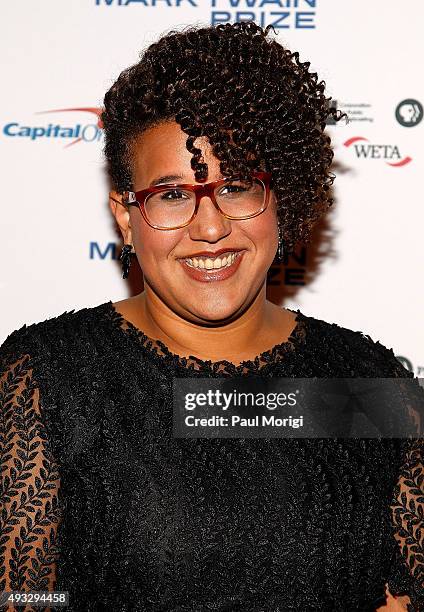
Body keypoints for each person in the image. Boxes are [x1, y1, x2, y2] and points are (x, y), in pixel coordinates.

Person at [0, 20, 423, 612]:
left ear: (284, 196)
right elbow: (22, 598)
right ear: (125, 215)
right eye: (171, 195)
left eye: (239, 186)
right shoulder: (50, 381)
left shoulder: (365, 381)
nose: (210, 226)